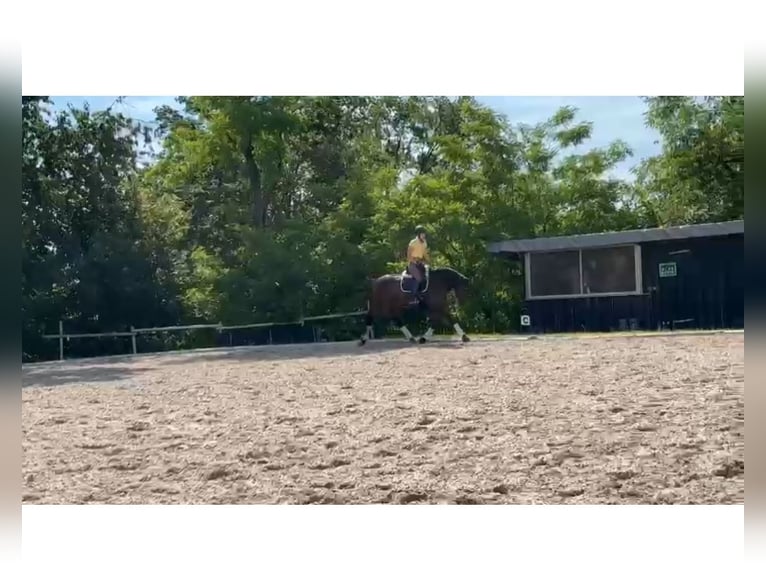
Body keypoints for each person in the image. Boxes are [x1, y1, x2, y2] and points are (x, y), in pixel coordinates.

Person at [407, 225, 430, 294]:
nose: (424, 235)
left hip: (420, 263)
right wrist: (415, 261)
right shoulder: (413, 242)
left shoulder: (424, 243)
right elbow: (408, 255)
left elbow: (425, 254)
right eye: (422, 234)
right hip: (413, 264)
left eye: (424, 234)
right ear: (418, 234)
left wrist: (429, 261)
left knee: (427, 277)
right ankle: (413, 297)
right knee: (419, 279)